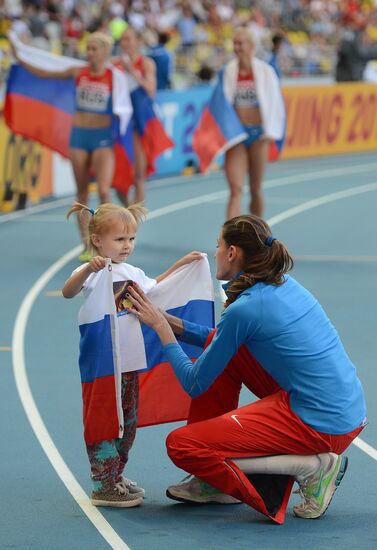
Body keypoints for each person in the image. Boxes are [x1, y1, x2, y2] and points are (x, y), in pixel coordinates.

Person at [125, 214, 366, 523]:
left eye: (218, 245)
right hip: (343, 409)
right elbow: (221, 340)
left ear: (232, 253)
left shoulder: (245, 308)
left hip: (323, 426)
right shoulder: (281, 284)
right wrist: (172, 322)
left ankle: (313, 468)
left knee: (183, 445)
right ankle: (215, 482)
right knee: (224, 348)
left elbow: (194, 383)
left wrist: (162, 330)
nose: (215, 253)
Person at [62, 201, 202, 507]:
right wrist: (88, 265)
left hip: (131, 363)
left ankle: (116, 475)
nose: (127, 246)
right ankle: (102, 483)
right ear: (98, 240)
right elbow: (68, 291)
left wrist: (183, 265)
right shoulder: (93, 272)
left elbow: (156, 288)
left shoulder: (132, 271)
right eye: (120, 239)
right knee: (104, 419)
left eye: (131, 239)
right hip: (103, 365)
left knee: (128, 421)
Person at [10, 32, 117, 262]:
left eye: (93, 49)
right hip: (79, 136)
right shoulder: (78, 72)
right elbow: (45, 73)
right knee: (82, 193)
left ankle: (110, 239)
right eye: (87, 49)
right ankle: (88, 245)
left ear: (105, 51)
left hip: (103, 137)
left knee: (105, 191)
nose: (89, 53)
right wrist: (20, 56)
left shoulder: (114, 75)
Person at [222, 27, 285, 220]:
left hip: (258, 135)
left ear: (251, 46)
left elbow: (275, 103)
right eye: (235, 43)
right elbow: (221, 103)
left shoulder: (265, 72)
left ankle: (257, 234)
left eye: (241, 43)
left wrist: (271, 132)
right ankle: (231, 239)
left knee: (255, 188)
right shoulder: (228, 71)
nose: (237, 47)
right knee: (236, 188)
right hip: (237, 135)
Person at [112, 27, 157, 206]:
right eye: (122, 40)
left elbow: (151, 89)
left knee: (139, 175)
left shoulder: (146, 63)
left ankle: (134, 219)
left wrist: (131, 70)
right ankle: (128, 209)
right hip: (119, 124)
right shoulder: (114, 64)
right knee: (117, 180)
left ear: (137, 42)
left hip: (138, 122)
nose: (125, 43)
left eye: (129, 39)